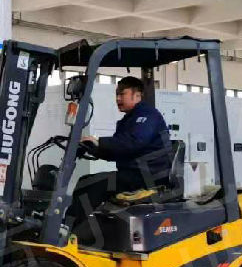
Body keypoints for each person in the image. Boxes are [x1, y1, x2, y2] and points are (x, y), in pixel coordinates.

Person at [66, 76, 173, 234]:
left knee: (92, 185)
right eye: (117, 94)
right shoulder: (129, 120)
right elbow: (119, 150)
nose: (117, 99)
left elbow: (134, 142)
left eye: (122, 94)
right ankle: (73, 228)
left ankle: (68, 230)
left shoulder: (148, 115)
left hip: (148, 176)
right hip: (133, 174)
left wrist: (99, 142)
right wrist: (92, 148)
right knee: (85, 181)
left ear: (137, 95)